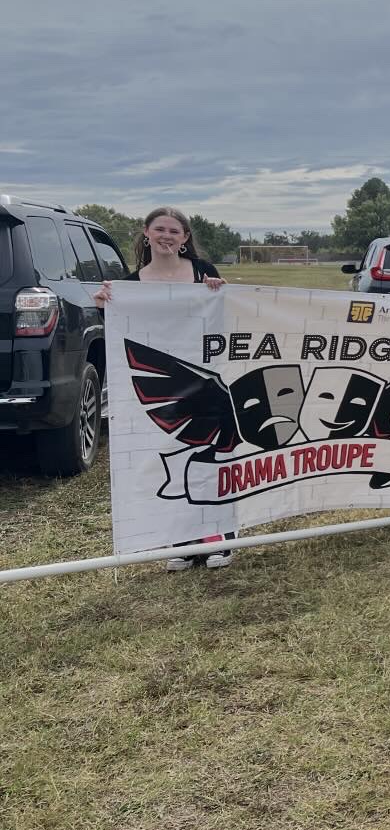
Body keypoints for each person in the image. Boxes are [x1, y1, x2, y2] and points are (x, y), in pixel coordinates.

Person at [95, 207, 230, 571]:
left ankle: (218, 536)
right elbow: (121, 334)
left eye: (175, 230)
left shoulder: (205, 273)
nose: (167, 236)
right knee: (167, 457)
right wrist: (105, 305)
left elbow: (225, 320)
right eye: (160, 229)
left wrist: (220, 294)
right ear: (147, 233)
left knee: (209, 451)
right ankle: (179, 540)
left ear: (185, 237)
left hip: (205, 375)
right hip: (163, 381)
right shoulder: (130, 284)